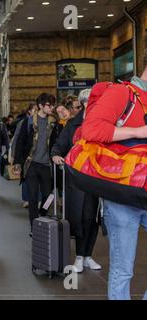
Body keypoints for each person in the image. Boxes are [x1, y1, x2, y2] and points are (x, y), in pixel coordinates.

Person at [79, 51, 147, 300]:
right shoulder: (123, 93)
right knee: (123, 269)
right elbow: (91, 129)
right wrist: (139, 132)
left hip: (143, 189)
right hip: (122, 193)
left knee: (123, 268)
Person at [50, 88, 102, 274]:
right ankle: (80, 256)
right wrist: (56, 155)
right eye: (88, 101)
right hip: (77, 179)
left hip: (97, 178)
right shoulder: (72, 124)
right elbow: (59, 145)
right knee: (80, 218)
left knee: (93, 218)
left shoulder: (103, 123)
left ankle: (87, 255)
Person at [14, 93, 60, 235]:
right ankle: (35, 227)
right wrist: (17, 163)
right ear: (40, 105)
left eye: (52, 105)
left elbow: (57, 142)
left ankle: (42, 216)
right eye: (48, 105)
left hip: (47, 165)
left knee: (48, 196)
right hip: (31, 164)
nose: (51, 107)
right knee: (33, 197)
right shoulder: (28, 121)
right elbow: (20, 142)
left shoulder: (54, 122)